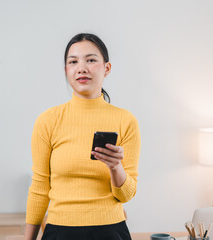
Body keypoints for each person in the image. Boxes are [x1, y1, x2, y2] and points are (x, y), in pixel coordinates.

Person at [24, 33, 141, 240]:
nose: (82, 68)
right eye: (73, 61)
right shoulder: (48, 120)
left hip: (110, 231)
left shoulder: (126, 120)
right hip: (59, 231)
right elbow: (39, 188)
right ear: (66, 70)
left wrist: (115, 167)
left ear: (107, 68)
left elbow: (126, 194)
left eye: (91, 60)